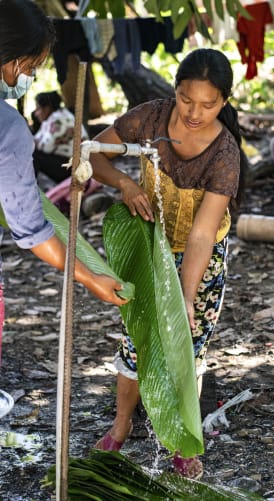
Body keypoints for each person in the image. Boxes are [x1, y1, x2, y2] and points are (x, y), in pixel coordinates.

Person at [89, 48, 247, 479]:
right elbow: (93, 152)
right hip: (150, 247)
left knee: (185, 347)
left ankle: (181, 439)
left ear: (225, 101)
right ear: (174, 91)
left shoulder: (224, 154)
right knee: (137, 337)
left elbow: (199, 235)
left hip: (202, 258)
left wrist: (187, 297)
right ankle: (121, 425)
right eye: (186, 99)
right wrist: (123, 182)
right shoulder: (151, 118)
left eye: (208, 104)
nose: (195, 112)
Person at [0, 0, 128, 363]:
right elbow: (32, 231)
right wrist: (90, 279)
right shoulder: (8, 128)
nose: (30, 77)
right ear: (13, 62)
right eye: (32, 67)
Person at [32, 90, 89, 183]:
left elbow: (46, 147)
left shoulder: (58, 119)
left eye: (38, 109)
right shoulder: (58, 116)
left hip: (73, 167)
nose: (36, 113)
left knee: (33, 155)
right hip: (72, 163)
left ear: (47, 108)